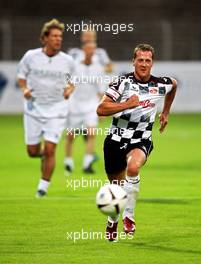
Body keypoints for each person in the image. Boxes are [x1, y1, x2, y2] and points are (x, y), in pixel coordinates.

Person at [97, 43, 177, 241]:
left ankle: (129, 217)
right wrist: (126, 104)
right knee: (117, 189)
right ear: (133, 61)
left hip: (141, 140)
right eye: (140, 60)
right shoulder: (122, 83)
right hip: (115, 141)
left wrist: (165, 112)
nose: (143, 64)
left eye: (147, 60)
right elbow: (101, 109)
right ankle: (113, 219)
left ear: (152, 62)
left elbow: (173, 85)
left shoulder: (160, 84)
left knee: (133, 167)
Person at [17, 19, 75, 197]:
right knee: (32, 151)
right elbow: (21, 76)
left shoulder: (67, 61)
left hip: (57, 110)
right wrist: (25, 89)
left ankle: (42, 188)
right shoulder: (31, 56)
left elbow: (72, 82)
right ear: (44, 38)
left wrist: (68, 90)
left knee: (51, 149)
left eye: (60, 36)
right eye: (54, 36)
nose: (58, 39)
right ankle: (42, 155)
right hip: (33, 109)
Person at [64, 41, 104, 173]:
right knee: (71, 136)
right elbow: (71, 84)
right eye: (88, 49)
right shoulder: (75, 66)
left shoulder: (98, 68)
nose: (90, 52)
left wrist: (102, 108)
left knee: (91, 134)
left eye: (93, 49)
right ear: (83, 50)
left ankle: (87, 164)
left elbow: (100, 90)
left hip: (91, 105)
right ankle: (68, 162)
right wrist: (67, 93)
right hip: (75, 105)